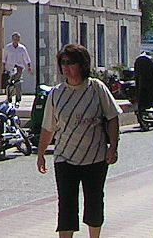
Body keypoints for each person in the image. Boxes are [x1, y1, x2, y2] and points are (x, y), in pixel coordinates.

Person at [37, 43, 121, 238]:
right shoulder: (56, 94)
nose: (66, 67)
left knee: (94, 202)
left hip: (95, 158)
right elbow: (48, 127)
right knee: (66, 205)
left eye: (71, 62)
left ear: (82, 65)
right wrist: (41, 154)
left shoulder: (96, 88)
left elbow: (113, 117)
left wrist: (113, 148)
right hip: (65, 158)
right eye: (63, 62)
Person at [2, 32, 33, 102]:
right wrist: (3, 68)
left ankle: (18, 98)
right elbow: (4, 59)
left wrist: (29, 67)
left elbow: (26, 58)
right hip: (9, 67)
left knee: (17, 83)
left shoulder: (22, 48)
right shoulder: (8, 47)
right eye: (14, 38)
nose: (15, 40)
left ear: (19, 39)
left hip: (19, 67)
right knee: (10, 84)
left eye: (17, 39)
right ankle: (9, 97)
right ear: (12, 39)